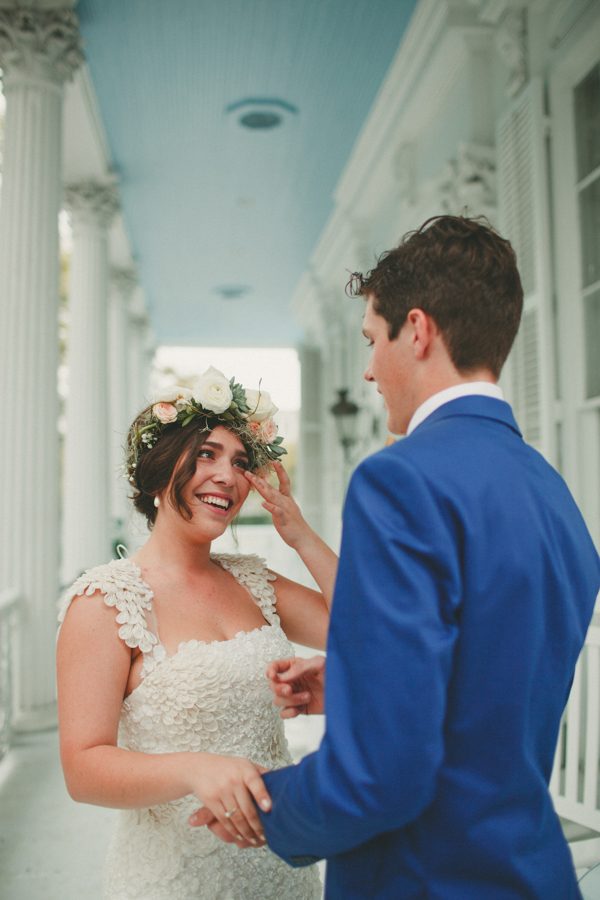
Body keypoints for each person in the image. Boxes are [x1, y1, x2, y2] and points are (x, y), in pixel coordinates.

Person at [191, 216, 600, 898]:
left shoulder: (400, 480)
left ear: (417, 330)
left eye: (371, 339)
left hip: (426, 879)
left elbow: (383, 776)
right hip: (532, 873)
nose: (368, 368)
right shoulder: (553, 495)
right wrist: (361, 676)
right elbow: (493, 685)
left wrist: (268, 805)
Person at [56, 366, 336, 899]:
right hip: (172, 880)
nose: (227, 476)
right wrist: (193, 769)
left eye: (239, 462)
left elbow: (365, 630)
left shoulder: (255, 580)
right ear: (160, 472)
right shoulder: (105, 602)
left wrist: (300, 535)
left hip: (281, 872)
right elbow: (83, 768)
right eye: (207, 454)